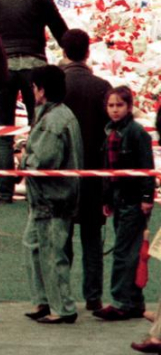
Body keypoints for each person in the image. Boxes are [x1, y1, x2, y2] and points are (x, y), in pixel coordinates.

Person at [0, 0, 69, 203]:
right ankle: (35, 189)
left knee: (3, 129)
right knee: (37, 127)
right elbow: (59, 27)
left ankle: (4, 191)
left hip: (2, 65)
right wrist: (72, 54)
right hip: (35, 67)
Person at [20, 65, 82, 325]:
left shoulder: (53, 121)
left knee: (52, 253)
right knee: (34, 247)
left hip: (52, 198)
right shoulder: (55, 115)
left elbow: (43, 160)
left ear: (42, 90)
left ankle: (63, 307)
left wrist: (24, 160)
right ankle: (44, 300)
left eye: (34, 87)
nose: (31, 92)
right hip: (49, 198)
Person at [59, 28, 111, 314]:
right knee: (92, 239)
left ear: (64, 52)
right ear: (88, 51)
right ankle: (93, 297)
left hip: (61, 174)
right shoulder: (102, 86)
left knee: (61, 238)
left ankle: (63, 297)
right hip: (94, 174)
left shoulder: (57, 85)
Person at [97, 86, 154, 322]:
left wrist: (146, 198)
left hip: (133, 200)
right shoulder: (111, 131)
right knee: (130, 252)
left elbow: (146, 167)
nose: (114, 110)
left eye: (119, 105)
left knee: (123, 252)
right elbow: (110, 171)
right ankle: (134, 301)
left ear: (129, 107)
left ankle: (121, 301)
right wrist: (107, 199)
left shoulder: (137, 133)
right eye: (111, 105)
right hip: (119, 198)